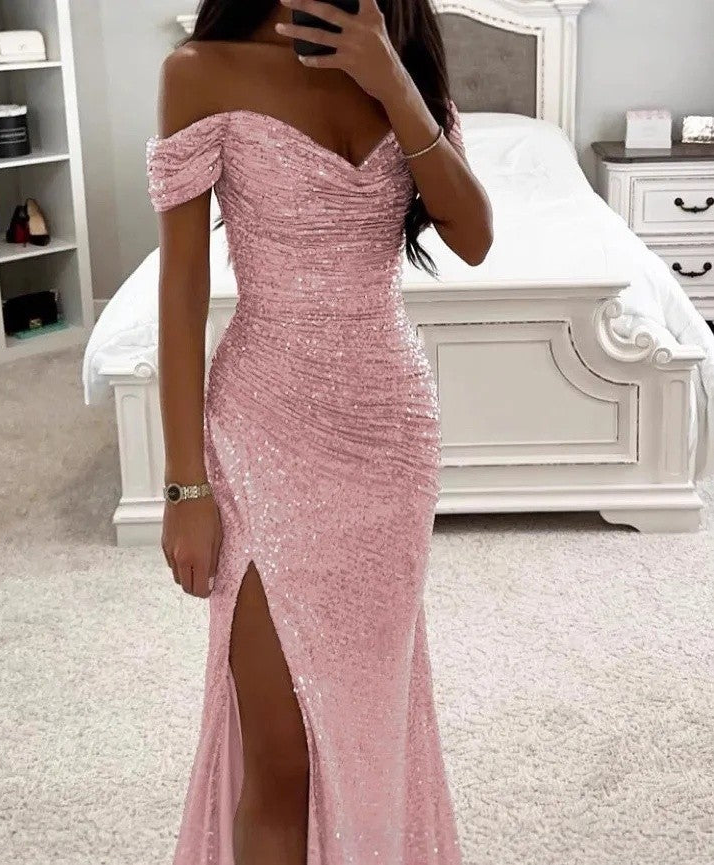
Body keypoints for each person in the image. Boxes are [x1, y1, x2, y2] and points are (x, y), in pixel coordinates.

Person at [148, 0, 493, 862]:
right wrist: (184, 485)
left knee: (368, 711)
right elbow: (181, 288)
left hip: (389, 435)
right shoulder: (199, 70)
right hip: (263, 429)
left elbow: (474, 237)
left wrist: (391, 82)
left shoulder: (398, 57)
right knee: (280, 754)